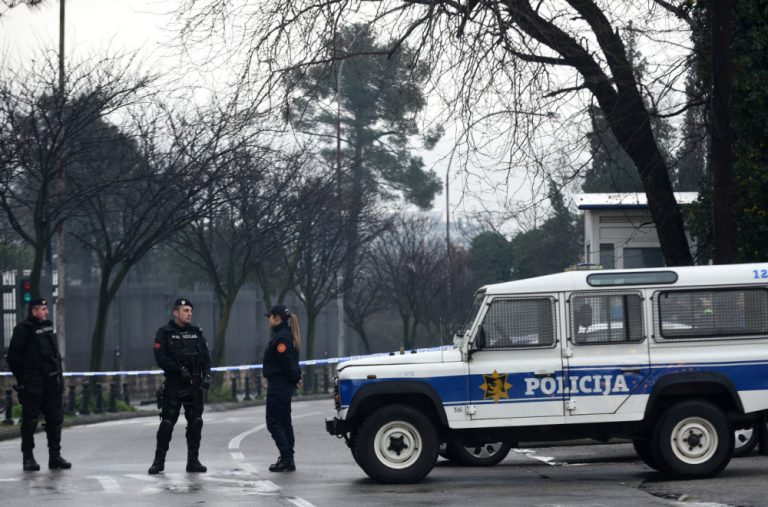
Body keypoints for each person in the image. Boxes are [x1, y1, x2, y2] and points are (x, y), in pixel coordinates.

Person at [6, 297, 71, 471]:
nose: (46, 311)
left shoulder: (48, 328)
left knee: (55, 419)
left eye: (46, 308)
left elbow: (55, 356)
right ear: (34, 311)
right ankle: (28, 457)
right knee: (30, 420)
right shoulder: (23, 330)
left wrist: (59, 380)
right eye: (43, 309)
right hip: (33, 383)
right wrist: (23, 379)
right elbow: (12, 358)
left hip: (51, 382)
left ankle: (55, 457)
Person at [148, 298, 212, 475]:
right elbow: (160, 358)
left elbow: (206, 357)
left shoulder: (196, 332)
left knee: (196, 422)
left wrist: (207, 375)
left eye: (190, 310)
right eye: (185, 310)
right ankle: (158, 462)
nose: (189, 313)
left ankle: (193, 461)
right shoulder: (164, 332)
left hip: (195, 384)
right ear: (175, 312)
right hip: (175, 383)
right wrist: (179, 369)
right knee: (167, 423)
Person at [263, 304, 302, 472]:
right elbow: (292, 363)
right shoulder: (286, 335)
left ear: (277, 318)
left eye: (269, 317)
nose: (268, 320)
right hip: (284, 384)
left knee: (274, 422)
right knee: (285, 422)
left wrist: (296, 377)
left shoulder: (281, 338)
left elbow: (287, 363)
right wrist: (296, 377)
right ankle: (288, 457)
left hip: (279, 384)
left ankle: (286, 457)